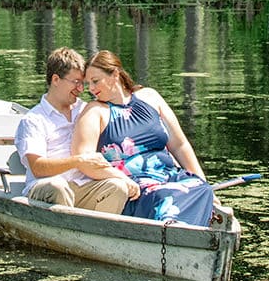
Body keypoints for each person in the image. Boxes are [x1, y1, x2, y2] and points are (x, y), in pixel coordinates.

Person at [72, 49, 216, 226]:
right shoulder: (95, 111)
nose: (91, 89)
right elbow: (84, 160)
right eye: (88, 84)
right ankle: (173, 232)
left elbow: (180, 145)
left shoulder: (150, 97)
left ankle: (185, 228)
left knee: (202, 189)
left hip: (169, 175)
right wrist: (121, 180)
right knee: (162, 196)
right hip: (134, 186)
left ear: (115, 74)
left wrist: (205, 183)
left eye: (95, 81)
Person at [14, 47, 137, 212]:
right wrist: (79, 161)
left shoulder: (86, 110)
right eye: (76, 82)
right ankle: (63, 235)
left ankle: (96, 234)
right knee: (58, 186)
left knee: (117, 187)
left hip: (82, 187)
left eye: (82, 83)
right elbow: (38, 168)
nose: (81, 89)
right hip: (47, 187)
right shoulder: (34, 120)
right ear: (56, 80)